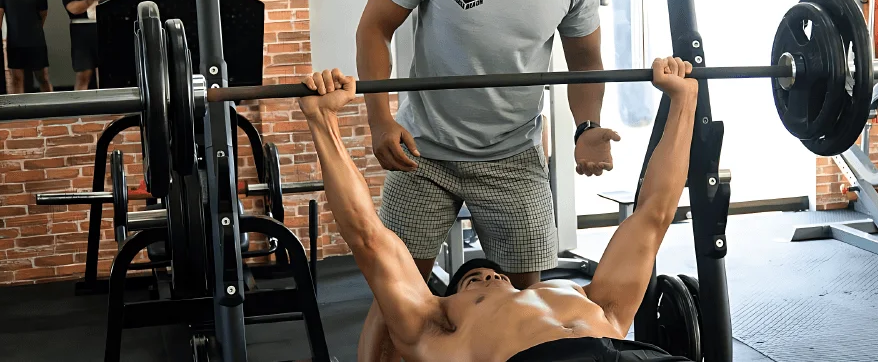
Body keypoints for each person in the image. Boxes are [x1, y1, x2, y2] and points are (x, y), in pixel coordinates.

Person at [355, 0, 615, 361]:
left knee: (528, 295)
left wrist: (587, 128)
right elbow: (374, 27)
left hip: (512, 155)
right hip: (421, 153)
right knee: (396, 296)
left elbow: (585, 61)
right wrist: (381, 120)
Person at [298, 59, 697, 362]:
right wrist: (323, 121)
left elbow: (654, 214)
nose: (488, 273)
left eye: (491, 272)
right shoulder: (429, 324)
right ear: (449, 303)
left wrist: (683, 97)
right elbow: (368, 237)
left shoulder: (585, 296)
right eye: (472, 281)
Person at [63, 0, 131, 90]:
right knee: (83, 73)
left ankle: (108, 106)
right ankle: (79, 108)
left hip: (105, 30)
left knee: (107, 72)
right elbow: (73, 8)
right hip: (81, 32)